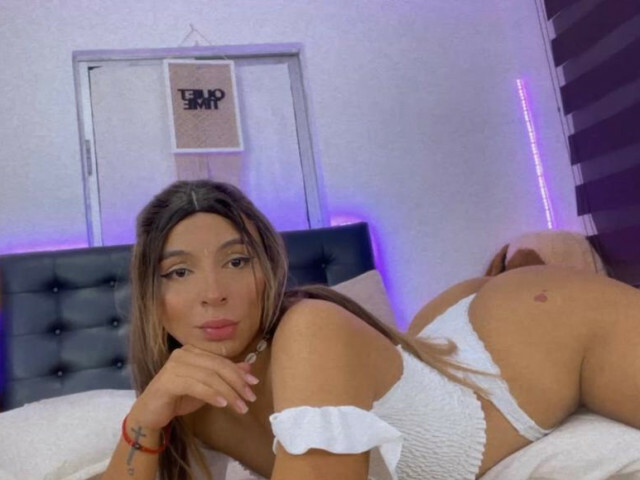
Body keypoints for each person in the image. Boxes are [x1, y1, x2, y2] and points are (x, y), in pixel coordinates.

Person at [102, 179, 640, 480]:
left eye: (237, 261)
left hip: (537, 327)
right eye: (178, 272)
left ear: (269, 271)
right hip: (440, 343)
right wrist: (143, 417)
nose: (213, 292)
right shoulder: (183, 401)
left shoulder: (309, 328)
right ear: (152, 297)